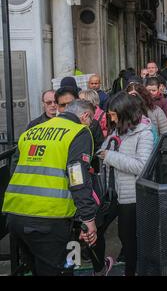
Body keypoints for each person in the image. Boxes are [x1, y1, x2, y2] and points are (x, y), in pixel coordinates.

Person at [3, 100, 98, 276]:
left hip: (16, 215)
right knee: (64, 268)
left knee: (38, 268)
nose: (90, 124)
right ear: (85, 116)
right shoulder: (79, 132)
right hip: (50, 219)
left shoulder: (32, 131)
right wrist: (88, 218)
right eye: (91, 120)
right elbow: (77, 177)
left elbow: (14, 167)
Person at [98, 92, 154, 276]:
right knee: (122, 234)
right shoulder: (118, 129)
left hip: (132, 195)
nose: (111, 118)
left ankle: (132, 271)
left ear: (124, 112)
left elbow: (141, 166)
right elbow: (107, 147)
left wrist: (110, 156)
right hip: (115, 192)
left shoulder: (144, 133)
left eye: (114, 114)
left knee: (128, 238)